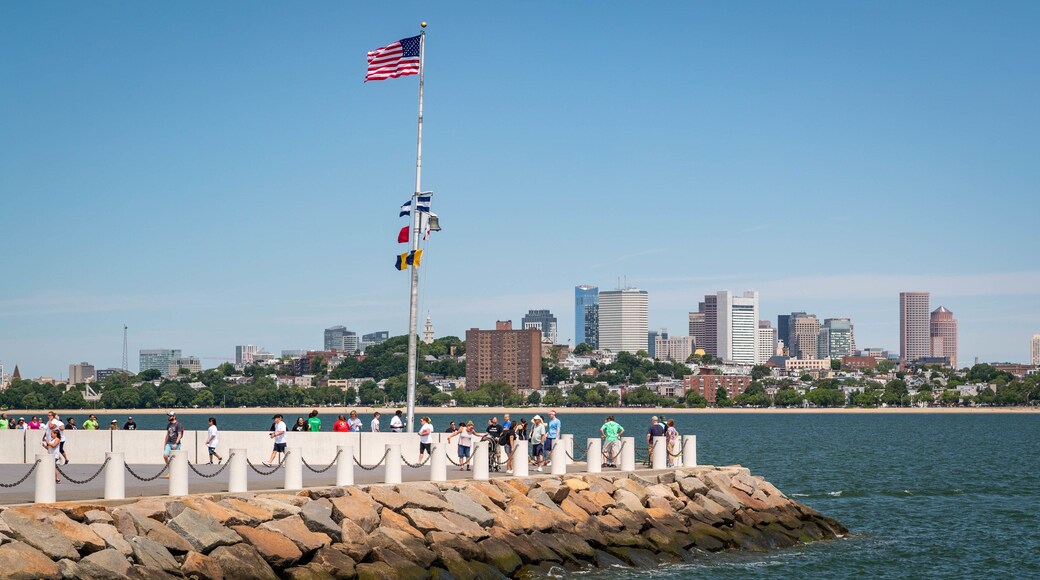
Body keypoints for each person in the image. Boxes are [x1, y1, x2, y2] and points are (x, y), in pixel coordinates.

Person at [163, 411, 184, 477]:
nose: (169, 417)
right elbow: (167, 435)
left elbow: (179, 435)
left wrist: (176, 443)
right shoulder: (169, 425)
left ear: (174, 416)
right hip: (169, 443)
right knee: (165, 456)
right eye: (169, 416)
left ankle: (177, 472)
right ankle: (170, 471)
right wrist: (165, 444)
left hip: (176, 444)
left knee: (176, 459)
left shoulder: (178, 424)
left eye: (170, 416)